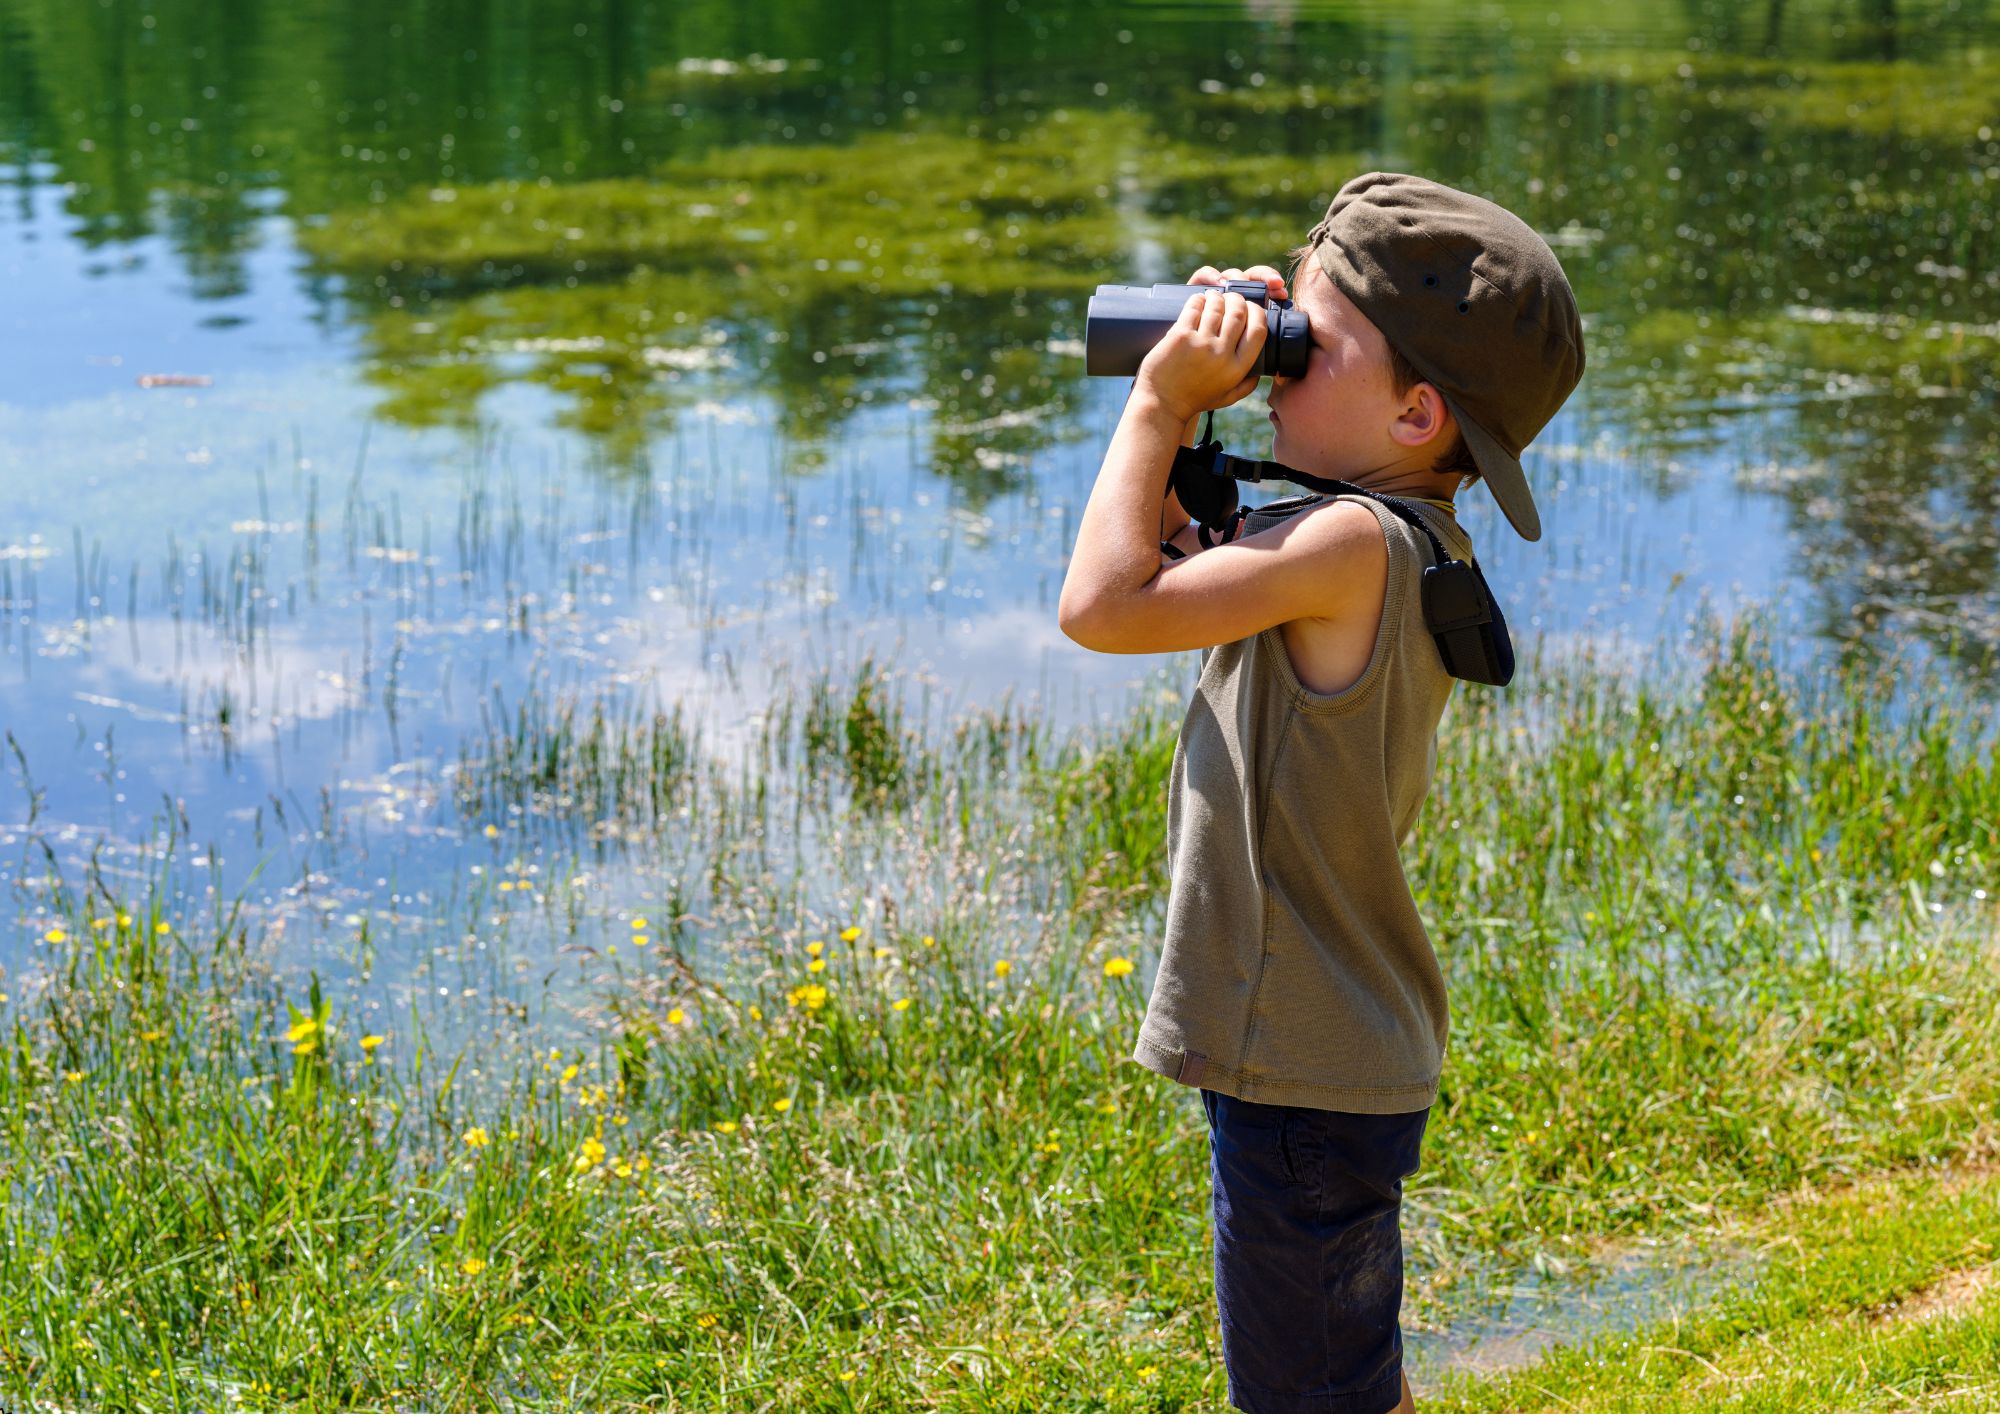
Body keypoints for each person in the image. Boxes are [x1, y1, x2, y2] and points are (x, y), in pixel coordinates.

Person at [1057, 171, 1585, 1414]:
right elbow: (1173, 563)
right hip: (1328, 1051)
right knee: (1345, 1386)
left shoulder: (1344, 546)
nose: (1277, 357)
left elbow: (1098, 605)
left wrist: (1153, 398)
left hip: (1301, 1067)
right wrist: (1197, 426)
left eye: (1306, 339)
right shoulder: (1385, 534)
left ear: (1413, 414)